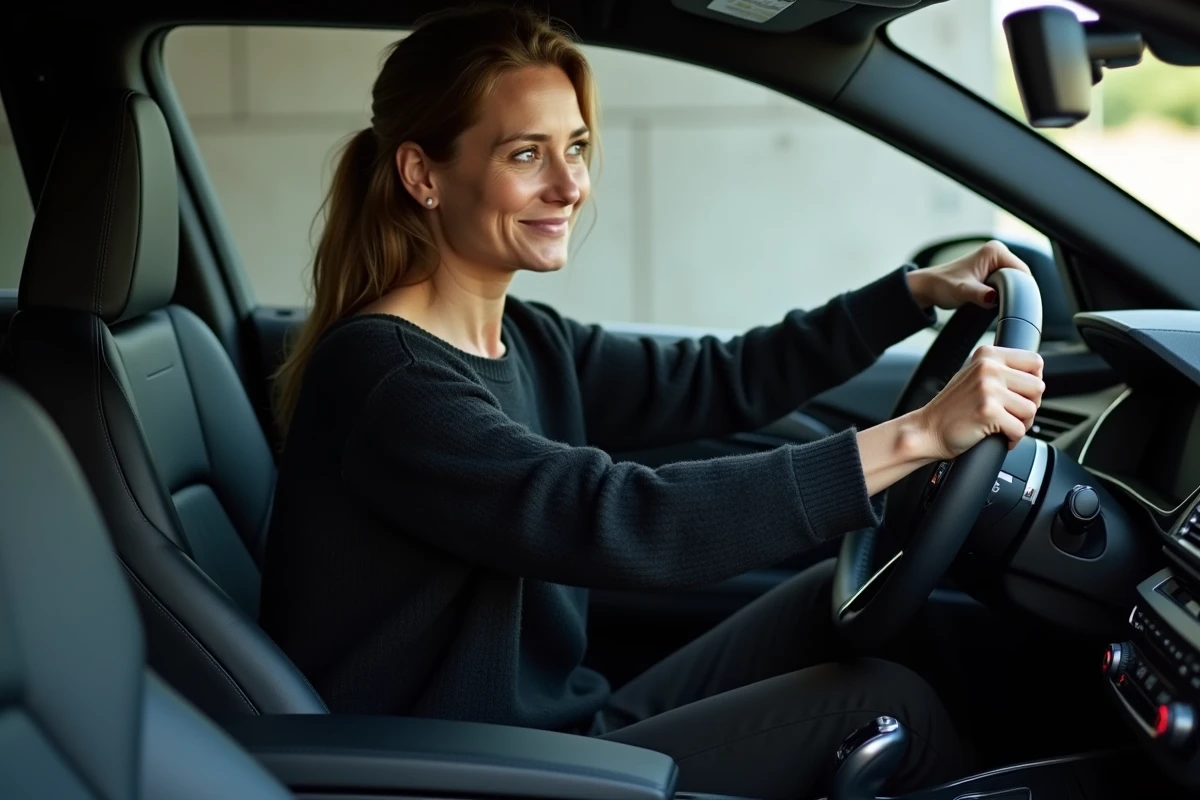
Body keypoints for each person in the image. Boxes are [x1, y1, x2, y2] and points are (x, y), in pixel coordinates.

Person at [259, 5, 1045, 799]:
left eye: (575, 148)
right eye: (525, 154)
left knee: (840, 606)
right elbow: (617, 518)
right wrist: (918, 437)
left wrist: (911, 296)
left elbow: (720, 377)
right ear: (423, 175)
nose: (569, 186)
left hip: (554, 736)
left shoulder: (524, 337)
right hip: (467, 772)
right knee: (886, 706)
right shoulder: (388, 378)